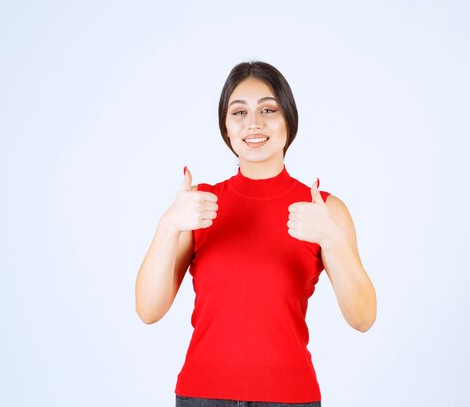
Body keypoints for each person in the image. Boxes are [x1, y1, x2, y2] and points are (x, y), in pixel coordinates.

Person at [135, 61, 377, 407]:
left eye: (268, 109)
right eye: (239, 112)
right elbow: (148, 310)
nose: (254, 123)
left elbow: (363, 318)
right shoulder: (200, 205)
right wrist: (168, 225)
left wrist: (333, 240)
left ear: (288, 121)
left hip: (290, 398)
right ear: (226, 127)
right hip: (203, 396)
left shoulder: (323, 209)